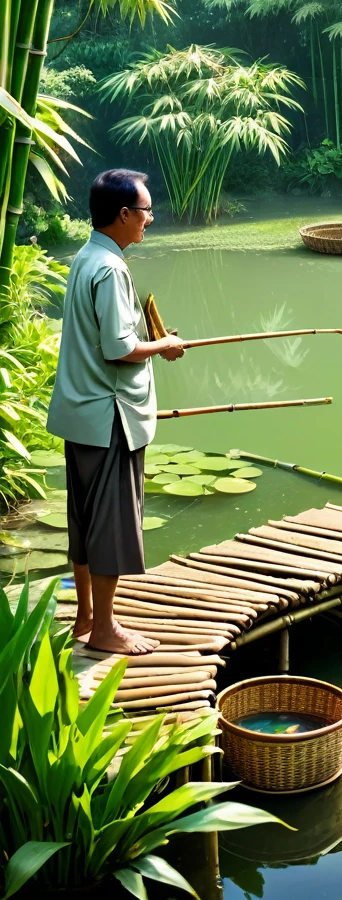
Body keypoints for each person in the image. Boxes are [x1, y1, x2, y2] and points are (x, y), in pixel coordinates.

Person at [47, 169, 186, 654]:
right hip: (110, 419)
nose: (149, 219)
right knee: (108, 524)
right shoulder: (111, 269)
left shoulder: (86, 257)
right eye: (145, 210)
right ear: (124, 214)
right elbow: (118, 347)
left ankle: (86, 617)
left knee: (84, 521)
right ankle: (105, 629)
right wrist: (162, 345)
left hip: (81, 413)